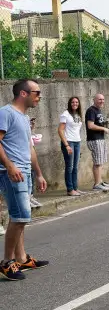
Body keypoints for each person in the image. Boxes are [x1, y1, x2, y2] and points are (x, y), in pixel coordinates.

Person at [0, 79, 49, 281]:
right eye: (36, 93)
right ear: (23, 93)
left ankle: (21, 258)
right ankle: (7, 262)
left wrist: (38, 173)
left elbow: (29, 149)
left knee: (19, 218)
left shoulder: (23, 117)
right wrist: (10, 166)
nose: (39, 96)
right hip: (11, 173)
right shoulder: (6, 113)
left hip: (26, 172)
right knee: (20, 217)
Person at [85, 92, 109, 192]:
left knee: (100, 161)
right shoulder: (91, 110)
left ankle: (100, 181)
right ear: (94, 100)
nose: (102, 101)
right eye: (99, 99)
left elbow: (97, 123)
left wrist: (105, 123)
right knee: (97, 162)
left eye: (103, 99)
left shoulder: (98, 111)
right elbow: (90, 125)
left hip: (100, 139)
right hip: (94, 139)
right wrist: (103, 129)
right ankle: (97, 184)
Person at [58, 96, 84, 196]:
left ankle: (75, 188)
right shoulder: (65, 114)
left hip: (77, 142)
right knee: (69, 167)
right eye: (73, 102)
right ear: (70, 103)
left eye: (76, 102)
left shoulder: (78, 114)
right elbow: (60, 130)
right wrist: (67, 145)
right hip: (69, 142)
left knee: (75, 167)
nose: (75, 104)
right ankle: (70, 189)